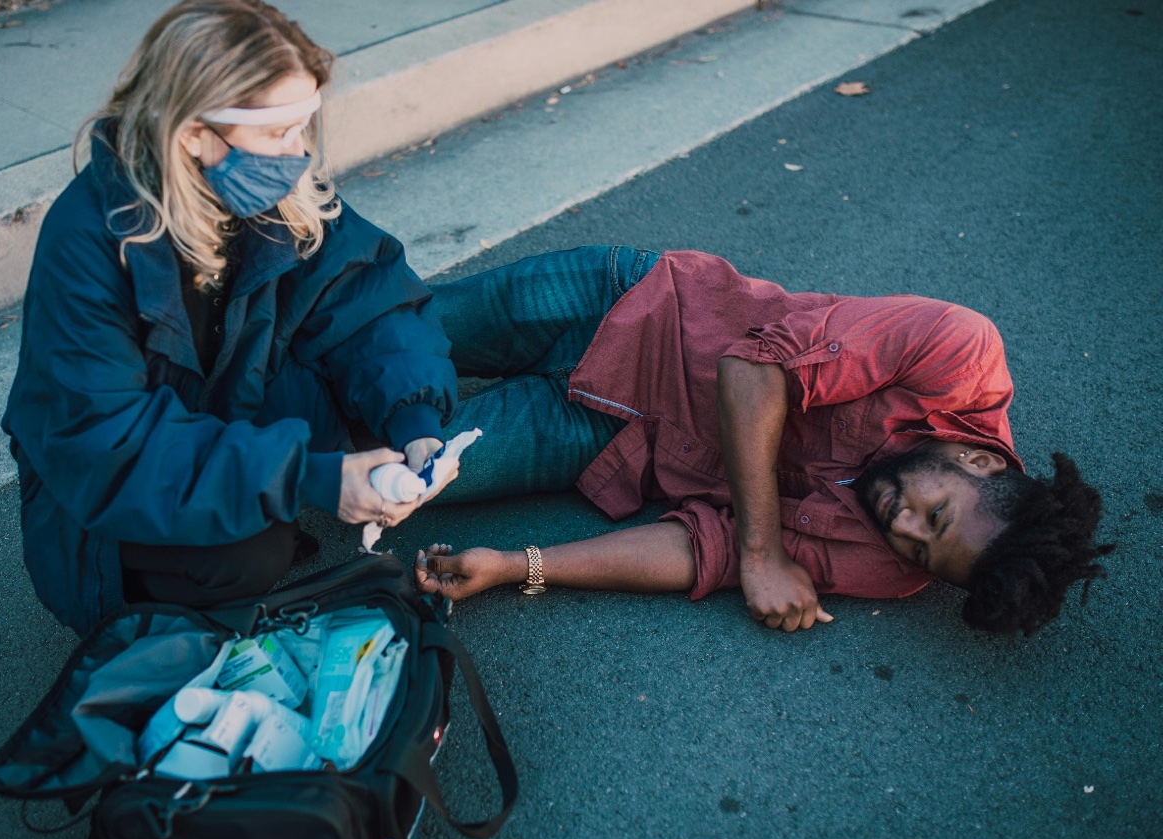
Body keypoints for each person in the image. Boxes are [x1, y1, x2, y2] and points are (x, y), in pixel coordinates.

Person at [2, 0, 457, 636]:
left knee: (377, 385)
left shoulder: (260, 187)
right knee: (251, 551)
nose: (298, 155)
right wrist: (307, 475)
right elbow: (111, 446)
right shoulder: (88, 241)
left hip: (219, 406)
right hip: (99, 507)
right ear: (194, 133)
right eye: (279, 133)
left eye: (304, 127)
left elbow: (365, 293)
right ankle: (160, 610)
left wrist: (415, 421)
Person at [413, 247, 1112, 634]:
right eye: (934, 515)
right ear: (978, 458)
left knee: (395, 474)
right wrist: (764, 550)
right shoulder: (959, 350)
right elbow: (753, 370)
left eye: (921, 549)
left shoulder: (894, 572)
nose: (903, 528)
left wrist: (515, 567)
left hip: (603, 440)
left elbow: (702, 551)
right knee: (387, 341)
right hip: (632, 304)